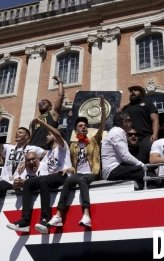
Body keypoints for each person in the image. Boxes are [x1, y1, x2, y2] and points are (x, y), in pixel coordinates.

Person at [0, 116, 44, 240]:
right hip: (8, 181)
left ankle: (25, 221)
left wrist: (27, 161)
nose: (17, 133)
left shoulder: (33, 149)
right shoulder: (9, 148)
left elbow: (49, 155)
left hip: (24, 181)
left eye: (21, 132)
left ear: (27, 137)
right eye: (16, 132)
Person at [47, 96, 106, 229]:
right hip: (78, 173)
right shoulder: (73, 147)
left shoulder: (94, 140)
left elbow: (102, 125)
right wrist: (66, 170)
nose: (84, 127)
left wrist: (102, 108)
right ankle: (58, 215)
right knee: (69, 180)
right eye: (81, 126)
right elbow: (74, 168)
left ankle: (86, 215)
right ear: (76, 131)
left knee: (82, 180)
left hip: (92, 173)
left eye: (85, 126)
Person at [7, 118, 72, 234]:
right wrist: (24, 163)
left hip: (64, 175)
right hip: (51, 178)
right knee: (28, 183)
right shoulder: (49, 154)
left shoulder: (63, 147)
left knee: (44, 181)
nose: (46, 136)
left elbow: (57, 134)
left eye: (49, 134)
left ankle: (44, 219)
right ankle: (24, 221)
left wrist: (42, 123)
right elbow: (37, 161)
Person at [102, 111, 147, 184]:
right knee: (144, 173)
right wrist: (143, 165)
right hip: (112, 170)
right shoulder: (118, 133)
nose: (131, 123)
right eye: (129, 120)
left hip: (115, 169)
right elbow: (126, 157)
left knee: (140, 173)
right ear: (124, 122)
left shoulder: (116, 132)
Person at [121, 84, 160, 163]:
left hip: (146, 136)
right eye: (131, 90)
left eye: (136, 90)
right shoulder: (125, 108)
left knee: (151, 159)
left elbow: (155, 120)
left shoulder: (148, 104)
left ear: (141, 93)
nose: (133, 92)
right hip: (130, 138)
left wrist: (155, 134)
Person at [29, 76, 65, 150]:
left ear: (50, 107)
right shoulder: (33, 121)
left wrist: (60, 83)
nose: (41, 104)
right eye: (39, 104)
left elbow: (60, 96)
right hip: (31, 149)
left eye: (44, 103)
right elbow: (29, 137)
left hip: (46, 148)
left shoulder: (53, 113)